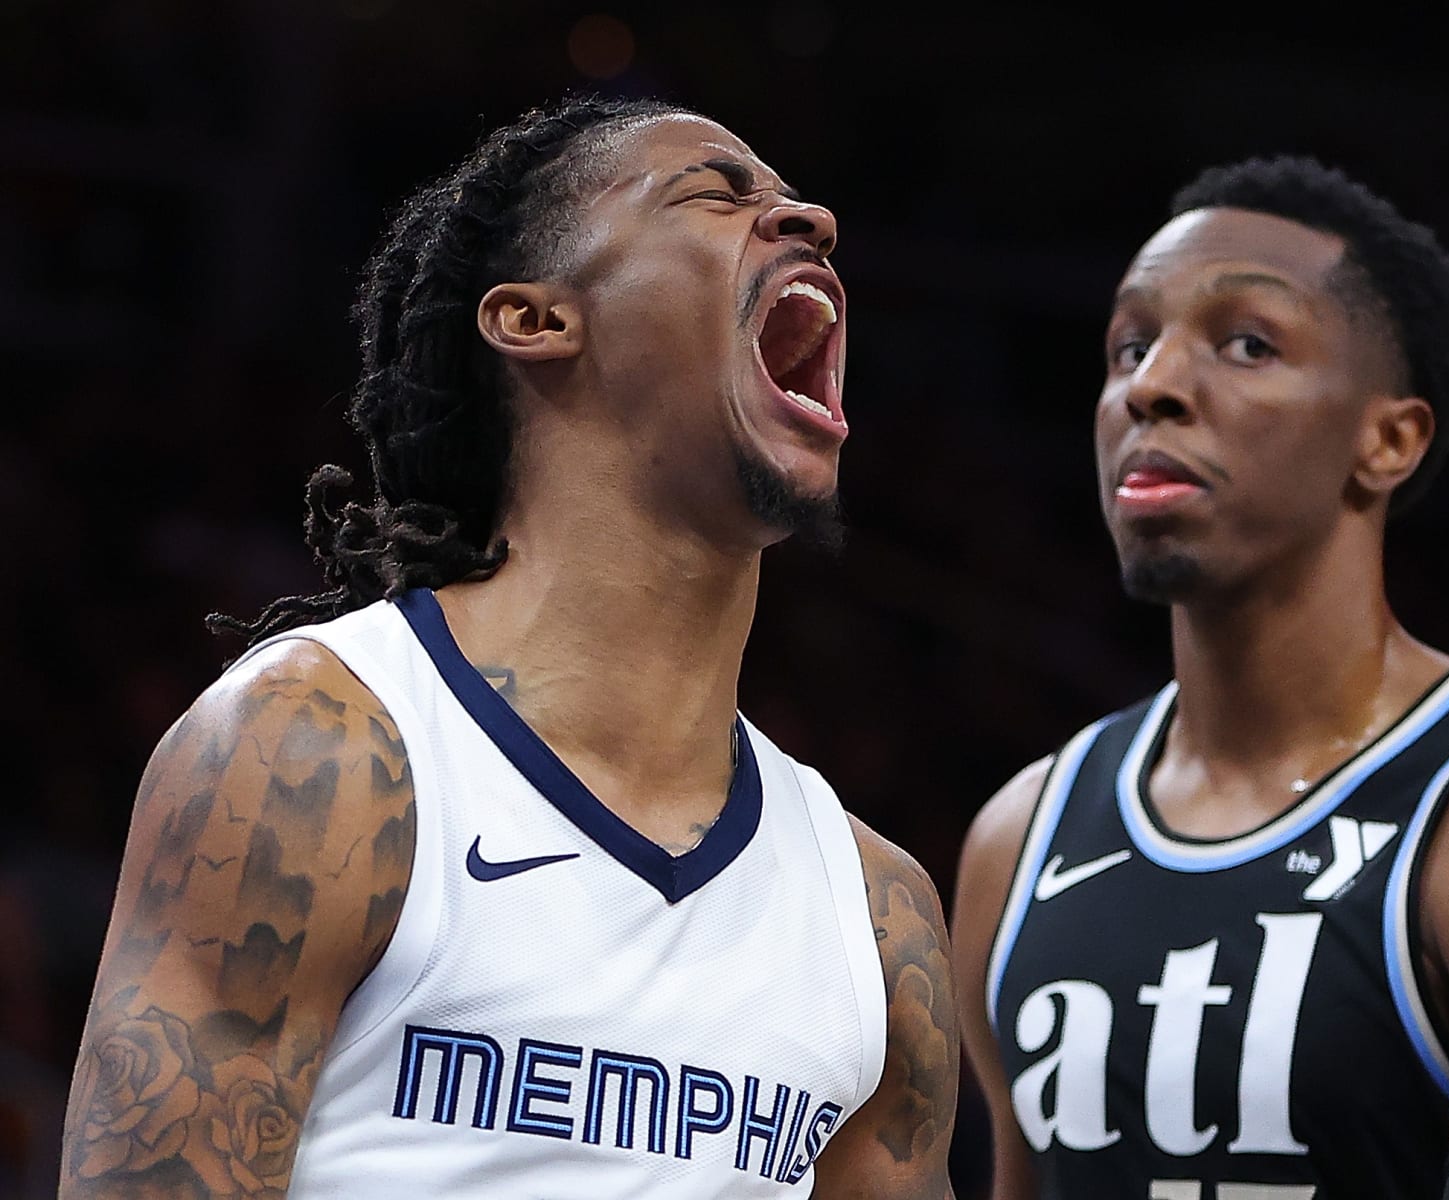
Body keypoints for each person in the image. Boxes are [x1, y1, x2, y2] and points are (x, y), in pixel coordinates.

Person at [60, 95, 957, 1199]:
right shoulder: (317, 759)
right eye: (717, 193)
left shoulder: (878, 914)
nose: (808, 219)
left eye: (796, 202)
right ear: (537, 321)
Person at [952, 157, 1449, 1200]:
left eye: (1247, 343)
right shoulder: (1016, 839)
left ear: (1388, 439)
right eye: (1129, 345)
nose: (1151, 385)